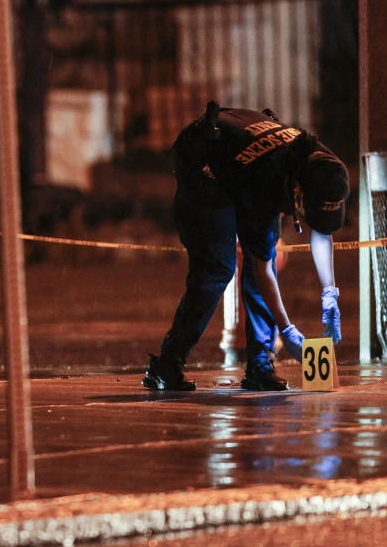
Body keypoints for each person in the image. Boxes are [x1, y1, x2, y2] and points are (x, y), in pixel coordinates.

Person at [142, 102, 349, 391]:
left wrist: (330, 293)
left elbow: (322, 231)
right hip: (205, 166)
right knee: (217, 269)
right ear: (298, 191)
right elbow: (263, 265)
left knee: (258, 260)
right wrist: (287, 330)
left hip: (242, 159)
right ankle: (166, 364)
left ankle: (260, 367)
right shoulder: (268, 182)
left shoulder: (324, 166)